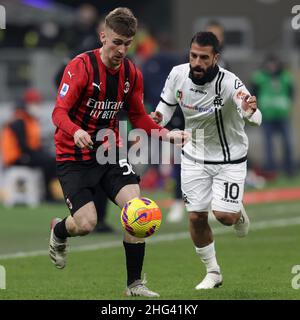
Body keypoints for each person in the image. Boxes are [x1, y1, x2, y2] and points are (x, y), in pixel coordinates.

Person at [49, 7, 189, 298]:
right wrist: (75, 131)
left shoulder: (131, 73)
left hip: (109, 153)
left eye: (128, 43)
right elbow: (58, 112)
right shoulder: (80, 67)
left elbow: (138, 115)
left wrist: (166, 135)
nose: (122, 49)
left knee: (137, 211)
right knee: (85, 224)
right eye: (116, 42)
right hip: (73, 157)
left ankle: (134, 284)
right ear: (103, 37)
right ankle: (60, 231)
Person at [151, 32, 262, 289]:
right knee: (196, 217)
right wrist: (156, 118)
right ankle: (213, 272)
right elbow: (165, 108)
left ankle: (236, 213)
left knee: (224, 216)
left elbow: (251, 111)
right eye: (193, 56)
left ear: (216, 58)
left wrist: (251, 111)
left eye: (204, 57)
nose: (197, 63)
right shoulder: (177, 74)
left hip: (230, 157)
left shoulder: (229, 82)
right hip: (194, 154)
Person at [0, 88, 57, 202]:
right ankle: (47, 195)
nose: (37, 106)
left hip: (24, 155)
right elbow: (24, 147)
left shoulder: (28, 120)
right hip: (17, 158)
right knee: (49, 162)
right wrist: (40, 153)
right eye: (34, 103)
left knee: (50, 160)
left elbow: (33, 144)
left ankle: (47, 193)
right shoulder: (19, 121)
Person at [251, 54, 295, 177]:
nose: (272, 67)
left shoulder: (286, 76)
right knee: (269, 146)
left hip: (283, 115)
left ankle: (289, 170)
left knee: (288, 143)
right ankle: (271, 171)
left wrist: (287, 105)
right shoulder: (259, 77)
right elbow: (254, 93)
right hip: (267, 116)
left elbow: (291, 93)